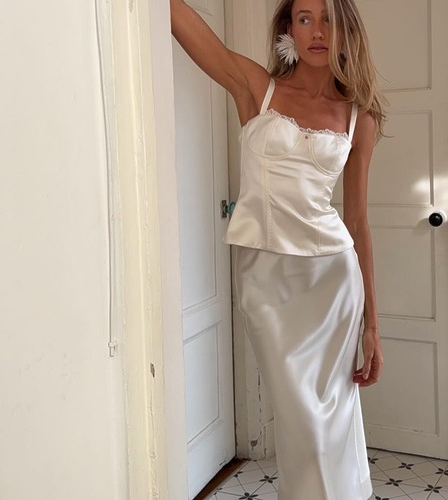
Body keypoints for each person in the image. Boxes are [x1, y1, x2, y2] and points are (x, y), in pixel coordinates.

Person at [170, 0, 385, 497]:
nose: (317, 31)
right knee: (300, 416)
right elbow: (184, 26)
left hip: (333, 280)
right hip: (265, 277)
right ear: (289, 28)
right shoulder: (257, 87)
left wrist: (372, 325)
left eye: (329, 19)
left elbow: (357, 221)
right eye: (305, 19)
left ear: (346, 29)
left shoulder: (360, 117)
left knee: (329, 416)